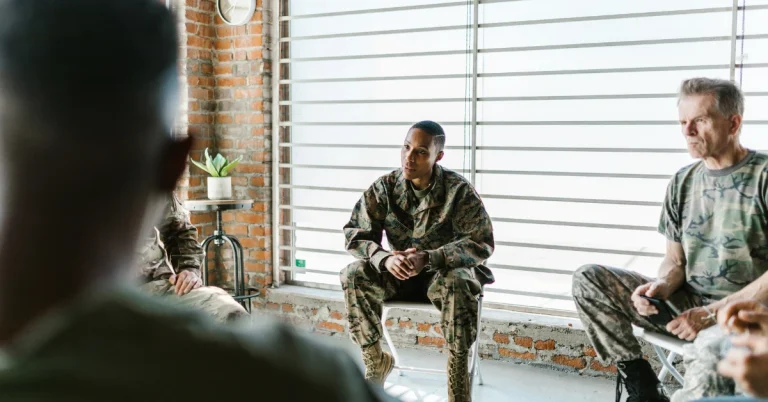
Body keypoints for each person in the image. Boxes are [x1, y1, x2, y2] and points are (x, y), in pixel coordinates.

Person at [0, 1, 395, 401]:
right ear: (174, 163)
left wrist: (189, 267)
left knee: (225, 308)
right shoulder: (303, 379)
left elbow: (180, 230)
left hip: (161, 286)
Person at [572, 77, 768, 402]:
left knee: (706, 363)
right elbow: (676, 261)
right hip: (690, 305)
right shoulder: (683, 181)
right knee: (589, 280)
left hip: (749, 315)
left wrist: (713, 313)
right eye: (683, 122)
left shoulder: (763, 177)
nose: (687, 132)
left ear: (733, 123)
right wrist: (661, 285)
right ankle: (644, 389)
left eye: (700, 121)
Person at [340, 120, 495, 402]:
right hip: (399, 276)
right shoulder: (385, 188)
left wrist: (431, 257)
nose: (409, 157)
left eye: (421, 151)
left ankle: (458, 379)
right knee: (353, 273)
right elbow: (355, 234)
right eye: (406, 147)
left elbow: (481, 243)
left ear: (438, 156)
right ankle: (376, 360)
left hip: (443, 278)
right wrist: (384, 258)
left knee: (458, 280)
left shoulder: (458, 191)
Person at [138, 193, 248, 323]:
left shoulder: (150, 182)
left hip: (158, 287)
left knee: (233, 315)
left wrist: (189, 269)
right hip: (111, 295)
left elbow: (180, 232)